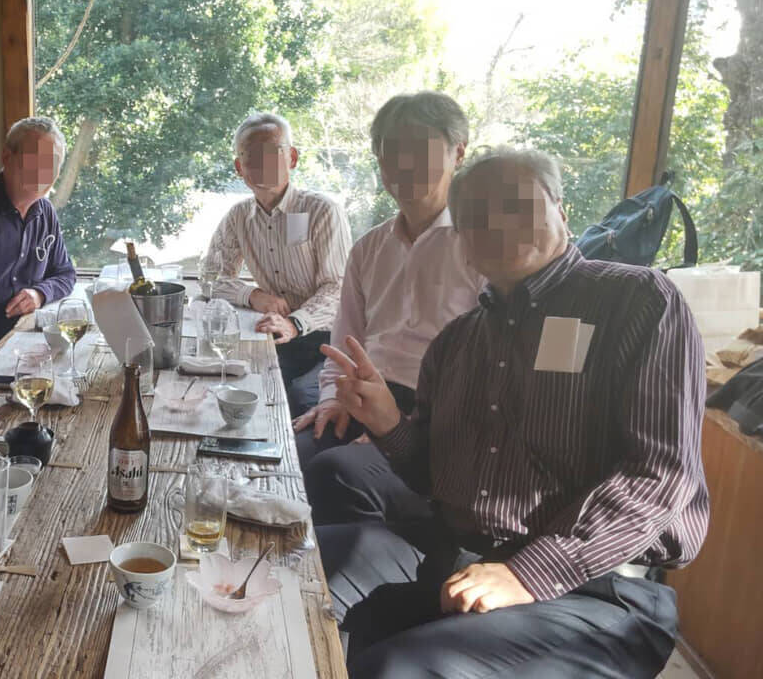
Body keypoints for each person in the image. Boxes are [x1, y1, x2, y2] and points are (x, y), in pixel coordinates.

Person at [318, 147, 707, 677]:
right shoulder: (456, 342)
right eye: (477, 214)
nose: (497, 224)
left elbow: (659, 474)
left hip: (597, 587)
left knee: (400, 669)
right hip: (461, 553)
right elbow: (433, 479)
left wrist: (528, 572)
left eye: (517, 205)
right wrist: (387, 422)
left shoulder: (638, 300)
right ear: (462, 239)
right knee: (299, 571)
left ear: (561, 210)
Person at [291, 92, 485, 525]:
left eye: (420, 150)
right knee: (282, 459)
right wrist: (333, 398)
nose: (403, 165)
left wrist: (396, 428)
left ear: (458, 153)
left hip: (434, 421)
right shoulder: (369, 248)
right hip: (363, 397)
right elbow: (344, 343)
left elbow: (490, 371)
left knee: (334, 473)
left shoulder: (483, 246)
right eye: (390, 152)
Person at [203, 112, 352, 397]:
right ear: (239, 167)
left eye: (273, 152)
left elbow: (337, 287)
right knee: (229, 377)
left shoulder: (322, 210)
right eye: (252, 155)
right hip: (275, 335)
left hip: (327, 337)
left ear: (292, 158)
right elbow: (210, 278)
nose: (263, 163)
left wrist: (295, 323)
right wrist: (252, 295)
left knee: (298, 394)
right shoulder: (238, 217)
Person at [0, 117, 77, 372]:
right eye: (34, 160)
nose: (43, 172)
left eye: (52, 163)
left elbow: (65, 273)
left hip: (25, 341)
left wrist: (39, 294)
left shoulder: (46, 212)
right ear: (7, 157)